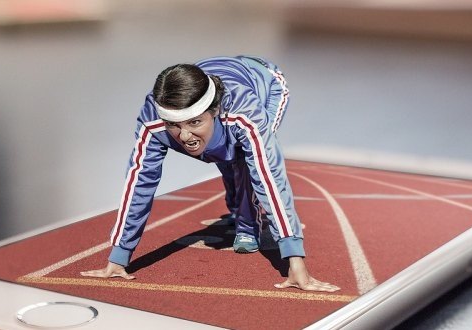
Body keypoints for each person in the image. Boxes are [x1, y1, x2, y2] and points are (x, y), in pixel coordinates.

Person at [81, 56, 339, 292]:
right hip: (216, 86)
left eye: (194, 122)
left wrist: (295, 261)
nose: (183, 136)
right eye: (174, 125)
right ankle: (238, 207)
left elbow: (269, 177)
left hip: (266, 84)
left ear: (213, 111)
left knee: (246, 160)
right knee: (222, 155)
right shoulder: (153, 120)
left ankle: (248, 226)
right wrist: (119, 256)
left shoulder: (244, 111)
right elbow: (139, 183)